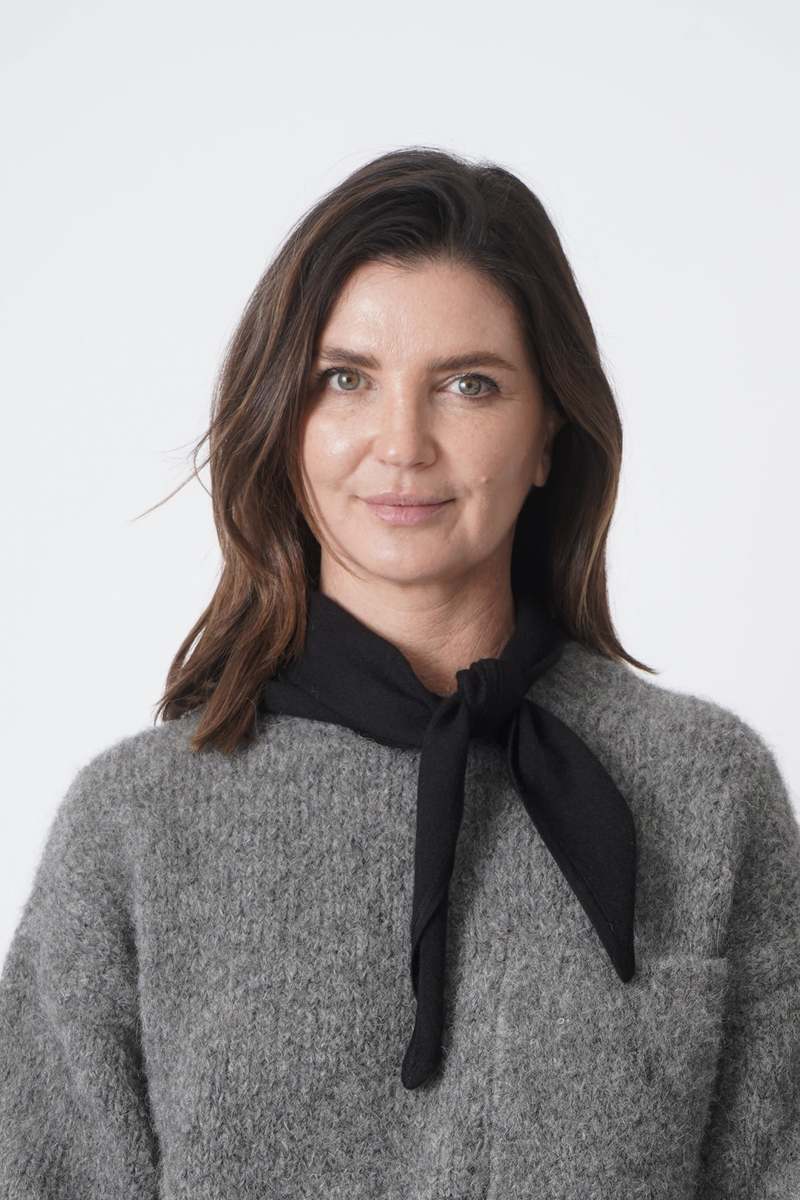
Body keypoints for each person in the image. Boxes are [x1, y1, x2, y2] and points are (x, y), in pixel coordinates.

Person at [1, 146, 798, 1199]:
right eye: (346, 380)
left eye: (469, 385)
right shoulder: (137, 821)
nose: (401, 443)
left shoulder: (704, 788)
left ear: (547, 434)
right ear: (283, 421)